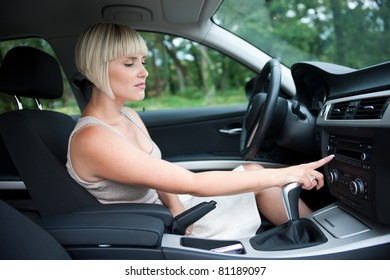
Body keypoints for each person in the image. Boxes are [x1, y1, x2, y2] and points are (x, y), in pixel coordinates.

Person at [66, 22, 334, 239]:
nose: (144, 72)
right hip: (153, 227)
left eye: (143, 61)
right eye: (129, 63)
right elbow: (194, 183)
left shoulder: (127, 114)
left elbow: (154, 171)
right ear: (97, 68)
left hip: (170, 211)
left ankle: (314, 235)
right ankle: (320, 241)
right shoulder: (93, 138)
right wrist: (287, 173)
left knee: (254, 172)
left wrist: (175, 204)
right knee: (263, 180)